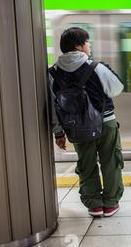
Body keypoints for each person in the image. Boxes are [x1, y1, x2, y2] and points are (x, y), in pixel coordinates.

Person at [49, 27, 125, 218]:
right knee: (110, 161)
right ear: (79, 46)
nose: (89, 45)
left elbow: (53, 107)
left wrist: (58, 133)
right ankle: (111, 202)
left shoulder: (53, 73)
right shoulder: (96, 67)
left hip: (76, 127)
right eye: (87, 42)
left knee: (86, 163)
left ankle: (94, 205)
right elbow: (117, 88)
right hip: (105, 122)